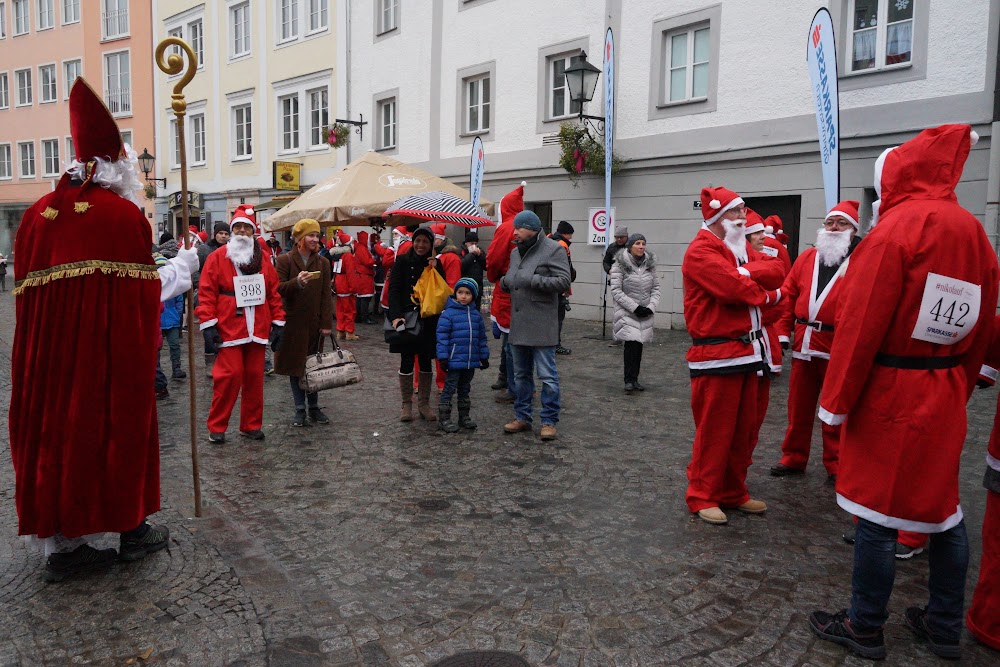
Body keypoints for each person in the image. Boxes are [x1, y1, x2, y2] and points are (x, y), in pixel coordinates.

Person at [809, 125, 999, 661]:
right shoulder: (973, 232)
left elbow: (862, 322)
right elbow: (982, 320)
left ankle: (864, 624)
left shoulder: (896, 230)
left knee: (876, 512)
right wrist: (963, 378)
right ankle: (943, 625)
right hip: (942, 388)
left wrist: (836, 403)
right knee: (943, 511)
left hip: (892, 391)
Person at [8, 78, 198, 581]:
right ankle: (130, 527)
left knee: (55, 433)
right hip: (104, 359)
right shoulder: (120, 216)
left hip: (47, 364)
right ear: (114, 166)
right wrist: (183, 268)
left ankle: (63, 548)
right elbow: (138, 295)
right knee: (114, 427)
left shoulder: (32, 219)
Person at [682, 186, 785, 526]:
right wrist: (762, 292)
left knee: (744, 430)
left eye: (743, 212)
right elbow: (732, 290)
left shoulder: (737, 250)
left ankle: (732, 490)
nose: (743, 218)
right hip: (717, 354)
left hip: (748, 353)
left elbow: (778, 270)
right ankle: (702, 493)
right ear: (716, 217)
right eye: (736, 213)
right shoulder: (700, 251)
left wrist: (746, 275)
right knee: (715, 430)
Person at [770, 201, 861, 480]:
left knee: (833, 409)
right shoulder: (808, 257)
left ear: (853, 229)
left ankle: (836, 464)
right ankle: (794, 458)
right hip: (805, 343)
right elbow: (788, 295)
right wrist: (782, 333)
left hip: (838, 345)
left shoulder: (860, 260)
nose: (834, 228)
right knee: (798, 407)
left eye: (841, 223)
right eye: (830, 223)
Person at [196, 207, 285, 443]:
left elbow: (273, 292)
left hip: (257, 326)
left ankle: (251, 424)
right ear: (232, 230)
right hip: (229, 326)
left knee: (255, 378)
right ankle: (217, 426)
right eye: (238, 227)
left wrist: (278, 323)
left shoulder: (263, 258)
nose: (242, 231)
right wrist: (208, 324)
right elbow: (205, 292)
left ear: (253, 231)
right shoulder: (217, 257)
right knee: (229, 376)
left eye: (247, 227)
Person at [501, 210, 572, 441]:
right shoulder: (514, 252)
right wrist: (505, 282)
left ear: (531, 228)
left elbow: (564, 281)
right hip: (519, 323)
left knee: (547, 375)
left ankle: (549, 420)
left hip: (542, 324)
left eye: (518, 228)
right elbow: (513, 277)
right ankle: (522, 417)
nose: (515, 232)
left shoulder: (554, 249)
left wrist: (532, 280)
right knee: (521, 375)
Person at [274, 218, 336, 427]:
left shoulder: (323, 262)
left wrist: (326, 323)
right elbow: (278, 288)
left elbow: (326, 295)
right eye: (310, 235)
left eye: (317, 236)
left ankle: (315, 407)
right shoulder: (285, 260)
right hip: (292, 323)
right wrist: (297, 283)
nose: (314, 239)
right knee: (295, 366)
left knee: (314, 366)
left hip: (314, 324)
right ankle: (300, 409)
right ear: (299, 238)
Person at [388, 227, 446, 422]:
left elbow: (442, 290)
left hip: (428, 319)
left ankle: (423, 403)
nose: (421, 245)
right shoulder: (402, 261)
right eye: (418, 240)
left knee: (426, 359)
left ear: (431, 244)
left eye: (425, 242)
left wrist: (435, 268)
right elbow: (394, 290)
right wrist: (395, 316)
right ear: (413, 241)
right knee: (406, 359)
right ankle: (406, 404)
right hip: (407, 318)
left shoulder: (435, 264)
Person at [435, 277, 490, 432]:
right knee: (449, 388)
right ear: (455, 294)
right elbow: (442, 337)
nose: (463, 296)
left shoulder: (476, 315)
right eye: (460, 292)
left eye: (467, 293)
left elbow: (481, 338)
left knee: (465, 389)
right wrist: (443, 357)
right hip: (454, 360)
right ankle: (444, 418)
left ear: (473, 296)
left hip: (469, 360)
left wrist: (483, 356)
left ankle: (464, 416)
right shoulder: (448, 314)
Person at [485, 183, 524, 399]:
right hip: (524, 292)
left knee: (510, 341)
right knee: (515, 341)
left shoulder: (507, 227)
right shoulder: (527, 226)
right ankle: (512, 381)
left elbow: (494, 258)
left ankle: (514, 387)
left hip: (508, 290)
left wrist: (493, 276)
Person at [610, 234, 660, 392]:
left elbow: (656, 289)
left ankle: (635, 379)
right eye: (637, 243)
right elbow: (616, 291)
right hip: (627, 312)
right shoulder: (619, 265)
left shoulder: (650, 265)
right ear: (630, 246)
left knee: (638, 346)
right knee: (631, 344)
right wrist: (634, 307)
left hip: (644, 313)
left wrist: (650, 307)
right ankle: (628, 380)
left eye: (643, 243)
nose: (641, 246)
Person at [198, 221, 231, 377]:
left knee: (224, 330)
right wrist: (202, 284)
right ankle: (210, 363)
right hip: (208, 295)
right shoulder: (204, 250)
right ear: (215, 234)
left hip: (225, 298)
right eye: (220, 233)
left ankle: (223, 361)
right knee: (209, 331)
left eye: (226, 234)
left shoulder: (231, 250)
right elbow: (196, 270)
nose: (223, 236)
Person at [549, 221, 577, 356]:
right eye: (570, 235)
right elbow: (565, 267)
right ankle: (555, 344)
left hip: (548, 285)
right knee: (558, 317)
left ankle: (548, 342)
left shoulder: (548, 240)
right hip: (558, 287)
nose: (570, 238)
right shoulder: (562, 245)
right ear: (566, 233)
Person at [332, 232, 360, 341]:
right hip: (346, 285)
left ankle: (340, 331)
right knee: (350, 310)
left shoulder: (337, 256)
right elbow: (351, 273)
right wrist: (354, 289)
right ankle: (349, 332)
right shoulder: (348, 256)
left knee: (340, 309)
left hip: (339, 285)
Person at [353, 230, 376, 325]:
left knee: (360, 298)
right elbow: (367, 262)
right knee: (365, 299)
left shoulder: (359, 248)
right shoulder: (362, 249)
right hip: (364, 276)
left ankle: (359, 316)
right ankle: (364, 317)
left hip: (361, 275)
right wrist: (373, 259)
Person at [460, 230, 486, 308]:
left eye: (475, 244)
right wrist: (472, 255)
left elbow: (486, 266)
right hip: (465, 286)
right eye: (471, 244)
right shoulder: (461, 252)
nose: (474, 246)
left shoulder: (480, 252)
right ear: (466, 243)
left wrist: (480, 256)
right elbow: (461, 266)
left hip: (478, 287)